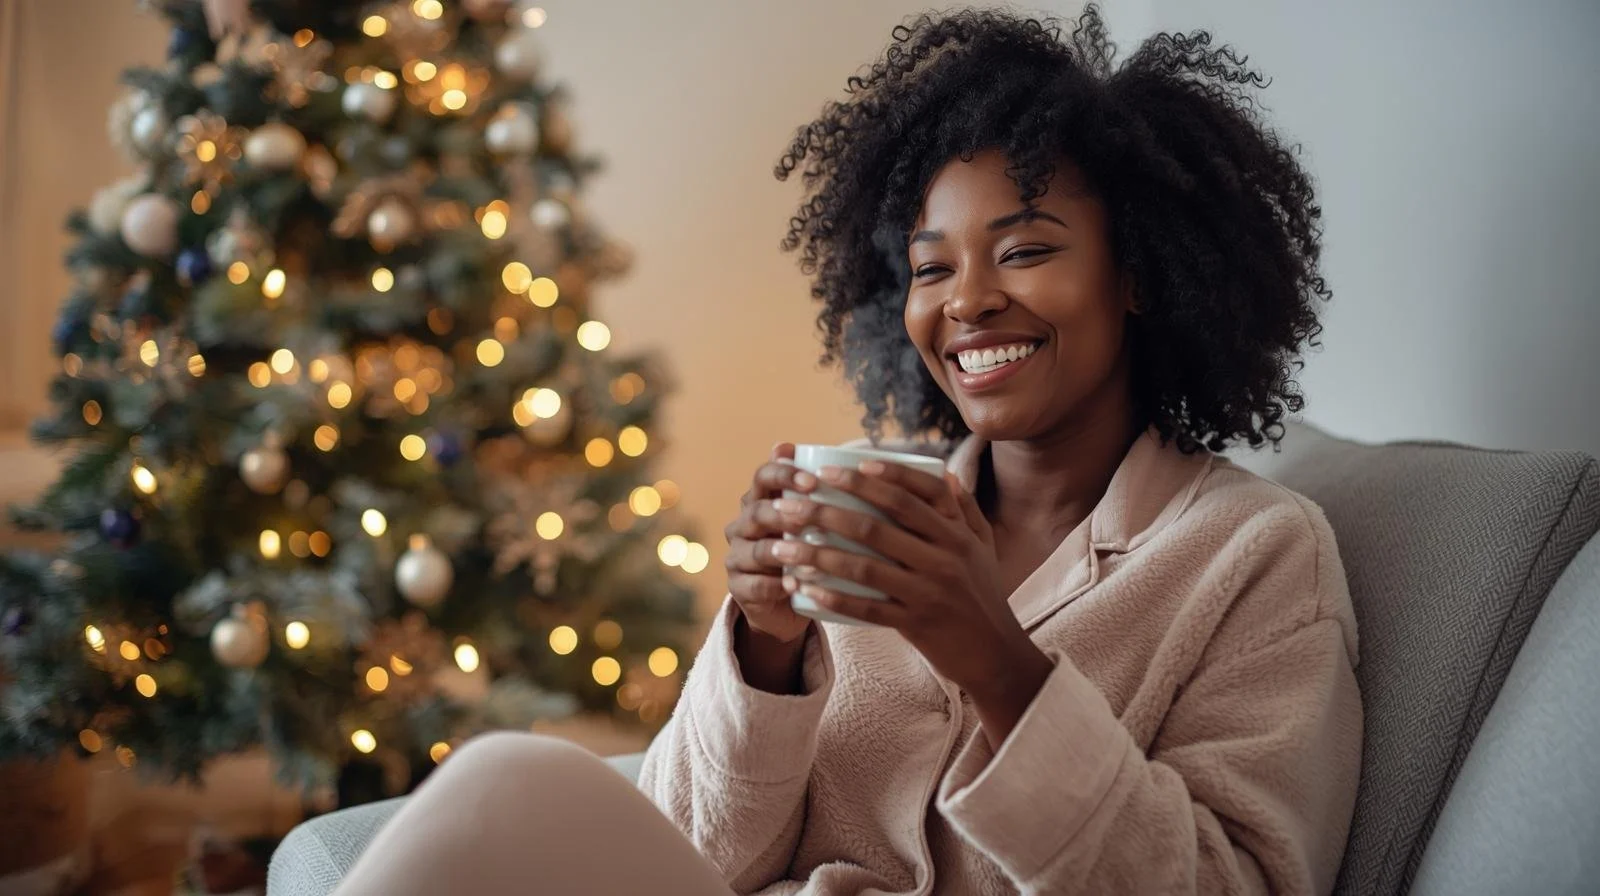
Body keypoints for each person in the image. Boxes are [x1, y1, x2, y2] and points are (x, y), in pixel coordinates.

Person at [329, 7, 1361, 895]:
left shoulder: (1254, 554)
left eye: (1027, 249)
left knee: (511, 781)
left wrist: (996, 661)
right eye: (929, 266)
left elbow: (1238, 881)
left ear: (1142, 274)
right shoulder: (867, 509)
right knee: (506, 785)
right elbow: (690, 852)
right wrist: (766, 650)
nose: (965, 300)